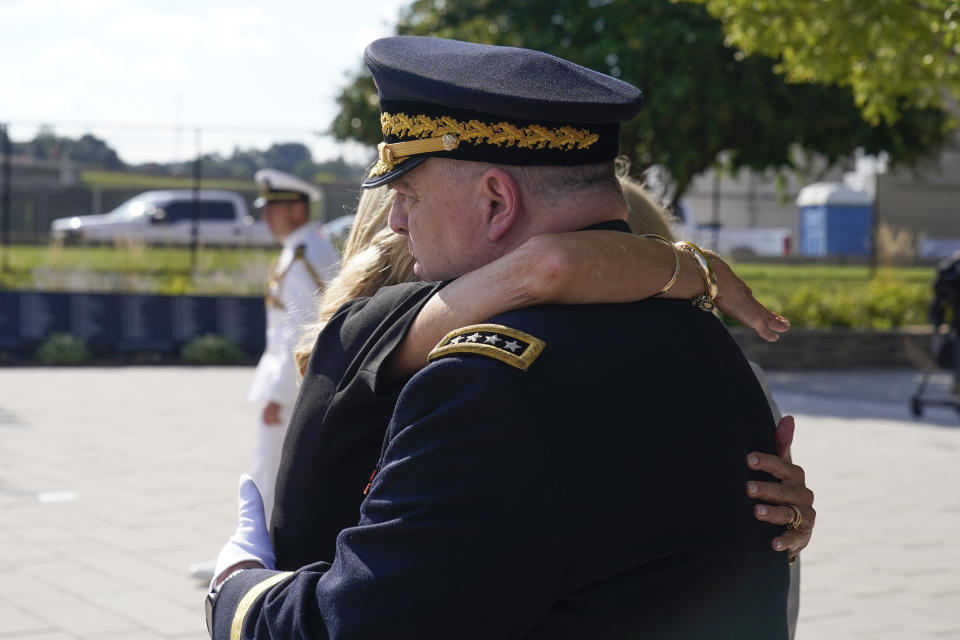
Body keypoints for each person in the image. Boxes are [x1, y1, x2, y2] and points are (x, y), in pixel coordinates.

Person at [207, 37, 811, 639]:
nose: (395, 220)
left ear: (497, 201)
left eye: (409, 195)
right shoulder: (709, 342)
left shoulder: (486, 389)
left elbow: (348, 628)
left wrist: (236, 589)